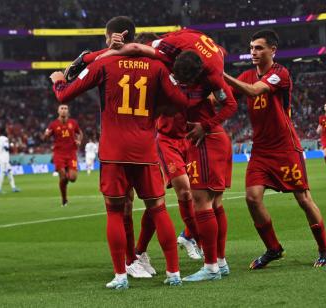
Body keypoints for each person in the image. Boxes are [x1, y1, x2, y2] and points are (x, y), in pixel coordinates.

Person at [51, 16, 202, 290]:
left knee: (114, 213)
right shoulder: (156, 66)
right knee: (158, 210)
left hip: (113, 151)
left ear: (113, 36)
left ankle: (121, 275)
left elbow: (65, 95)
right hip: (144, 149)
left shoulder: (104, 63)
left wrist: (58, 81)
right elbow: (182, 101)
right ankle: (174, 273)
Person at [104, 28, 237, 281]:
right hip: (168, 140)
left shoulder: (205, 71)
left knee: (201, 199)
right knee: (181, 194)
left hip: (196, 137)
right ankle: (196, 250)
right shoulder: (157, 68)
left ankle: (201, 249)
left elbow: (227, 96)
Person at [223, 29, 326, 269]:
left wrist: (219, 73)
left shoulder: (280, 73)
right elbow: (222, 98)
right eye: (251, 47)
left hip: (285, 147)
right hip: (261, 150)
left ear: (273, 50)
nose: (253, 52)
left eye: (259, 47)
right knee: (252, 199)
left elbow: (253, 91)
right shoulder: (246, 74)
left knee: (303, 198)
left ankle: (325, 249)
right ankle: (273, 248)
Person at [43, 104, 82, 206]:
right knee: (63, 177)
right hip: (59, 154)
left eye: (65, 109)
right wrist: (46, 135)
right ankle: (64, 199)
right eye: (62, 108)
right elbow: (45, 138)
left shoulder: (73, 123)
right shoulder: (53, 124)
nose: (64, 110)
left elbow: (80, 133)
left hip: (71, 154)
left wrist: (79, 140)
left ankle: (66, 177)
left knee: (72, 178)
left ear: (68, 111)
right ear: (58, 111)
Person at [0, 129, 20, 193]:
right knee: (2, 172)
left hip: (0, 157)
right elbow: (6, 148)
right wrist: (11, 145)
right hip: (4, 159)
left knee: (9, 172)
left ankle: (13, 187)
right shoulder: (5, 139)